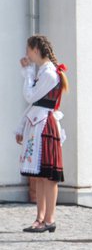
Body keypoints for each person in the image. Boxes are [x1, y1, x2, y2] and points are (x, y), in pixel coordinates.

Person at [16, 35, 68, 233]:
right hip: (37, 123)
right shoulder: (45, 72)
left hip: (45, 124)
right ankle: (40, 218)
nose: (27, 53)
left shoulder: (49, 73)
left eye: (28, 49)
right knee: (39, 174)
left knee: (49, 175)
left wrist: (28, 73)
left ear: (36, 50)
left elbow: (30, 96)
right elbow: (33, 103)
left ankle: (49, 219)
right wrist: (21, 127)